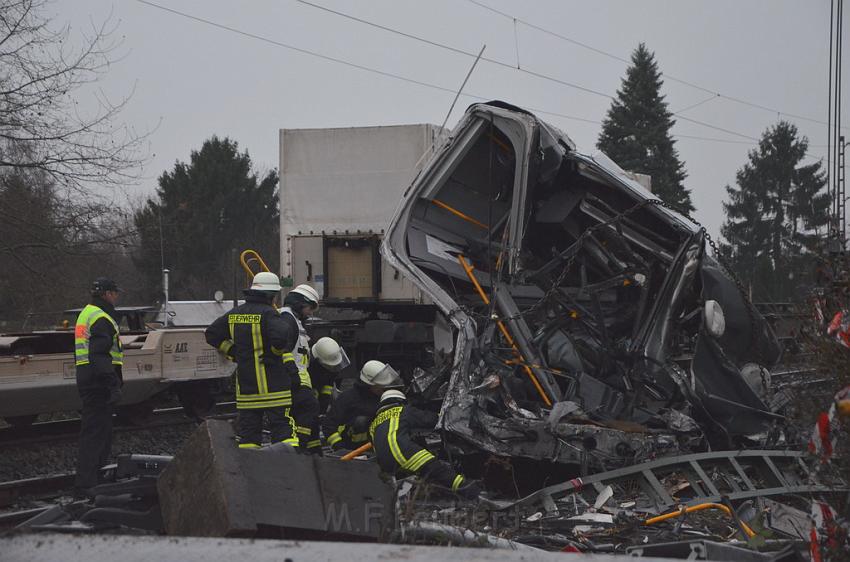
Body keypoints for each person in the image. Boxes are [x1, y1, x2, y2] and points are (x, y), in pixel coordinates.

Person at [205, 272, 299, 449]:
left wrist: (233, 352)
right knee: (283, 434)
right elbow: (281, 337)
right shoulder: (269, 313)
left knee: (248, 437)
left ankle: (250, 472)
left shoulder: (234, 314)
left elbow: (211, 334)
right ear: (271, 294)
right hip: (274, 388)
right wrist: (275, 352)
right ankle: (287, 469)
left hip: (247, 390)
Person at [369, 390, 481, 499]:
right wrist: (447, 417)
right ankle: (474, 493)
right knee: (438, 469)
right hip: (403, 451)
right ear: (400, 401)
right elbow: (430, 419)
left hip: (385, 463)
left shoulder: (373, 424)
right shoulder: (402, 410)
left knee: (421, 473)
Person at [74, 277, 124, 498]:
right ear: (106, 294)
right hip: (98, 382)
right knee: (96, 434)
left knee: (100, 432)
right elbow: (99, 354)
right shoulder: (102, 318)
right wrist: (112, 383)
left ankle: (94, 479)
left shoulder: (87, 313)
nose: (117, 296)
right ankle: (86, 485)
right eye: (115, 292)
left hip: (89, 377)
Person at [279, 284, 323, 454]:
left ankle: (311, 448)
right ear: (299, 304)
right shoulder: (287, 320)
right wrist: (292, 374)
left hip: (299, 378)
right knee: (309, 408)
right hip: (293, 378)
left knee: (309, 410)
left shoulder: (294, 320)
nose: (310, 313)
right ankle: (302, 447)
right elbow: (283, 350)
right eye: (308, 308)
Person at [322, 360, 402, 451]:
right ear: (368, 384)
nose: (384, 388)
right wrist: (339, 446)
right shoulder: (348, 399)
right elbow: (328, 425)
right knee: (361, 421)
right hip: (353, 449)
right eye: (380, 385)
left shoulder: (382, 397)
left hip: (380, 447)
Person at [310, 336, 351, 413]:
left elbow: (328, 385)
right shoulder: (309, 367)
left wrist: (323, 408)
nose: (333, 368)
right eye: (330, 366)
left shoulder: (331, 366)